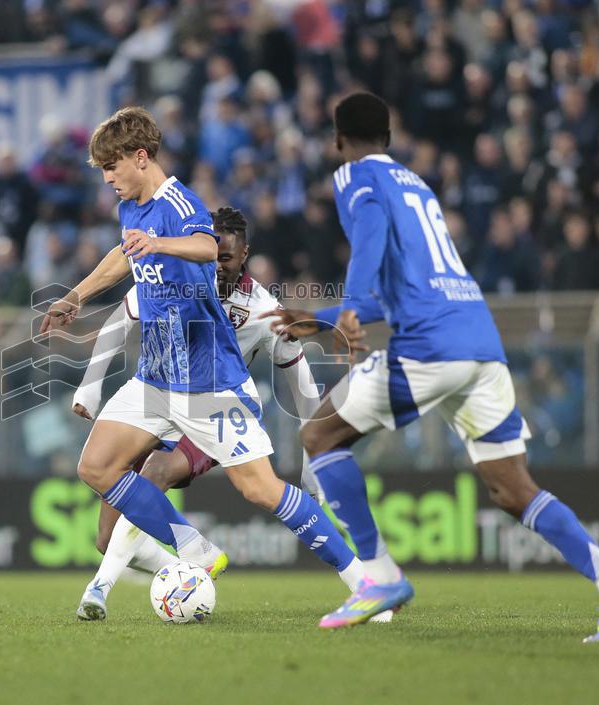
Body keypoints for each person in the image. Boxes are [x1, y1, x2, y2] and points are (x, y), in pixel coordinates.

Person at [265, 92, 599, 640]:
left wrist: (348, 306)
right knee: (512, 489)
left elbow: (370, 239)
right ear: (391, 138)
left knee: (320, 435)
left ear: (337, 139)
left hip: (430, 347)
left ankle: (378, 577)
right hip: (479, 343)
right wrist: (331, 318)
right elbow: (408, 290)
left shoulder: (355, 177)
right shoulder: (416, 184)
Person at [41, 107, 365, 625]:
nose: (106, 179)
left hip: (207, 381)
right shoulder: (130, 207)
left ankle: (362, 581)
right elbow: (123, 256)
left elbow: (205, 245)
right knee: (96, 467)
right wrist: (75, 296)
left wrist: (160, 244)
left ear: (140, 158)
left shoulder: (178, 201)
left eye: (111, 167)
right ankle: (193, 549)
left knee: (261, 489)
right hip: (155, 375)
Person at [71, 207, 379, 620]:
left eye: (227, 259)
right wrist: (90, 388)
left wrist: (313, 459)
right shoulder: (173, 277)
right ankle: (185, 574)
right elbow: (120, 319)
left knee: (165, 472)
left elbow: (302, 383)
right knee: (107, 537)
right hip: (161, 393)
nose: (216, 267)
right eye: (210, 256)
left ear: (245, 254)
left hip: (219, 401)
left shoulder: (261, 309)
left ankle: (99, 589)